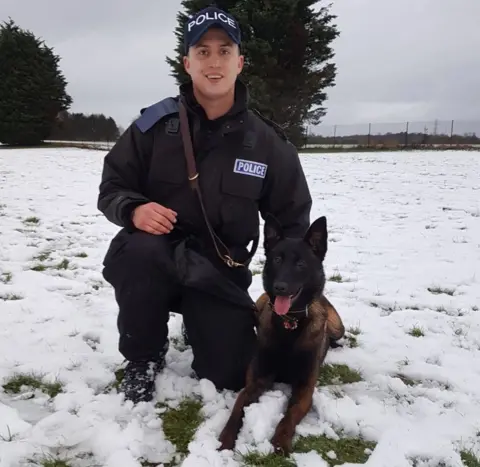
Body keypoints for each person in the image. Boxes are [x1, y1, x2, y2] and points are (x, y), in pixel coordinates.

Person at [97, 5, 312, 404]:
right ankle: (143, 357)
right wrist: (133, 209)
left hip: (219, 270)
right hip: (157, 258)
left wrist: (294, 292)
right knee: (137, 251)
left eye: (225, 51)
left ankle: (201, 324)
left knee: (230, 374)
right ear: (187, 62)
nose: (214, 62)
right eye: (203, 51)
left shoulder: (267, 143)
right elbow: (112, 186)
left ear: (240, 62)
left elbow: (294, 223)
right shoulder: (154, 128)